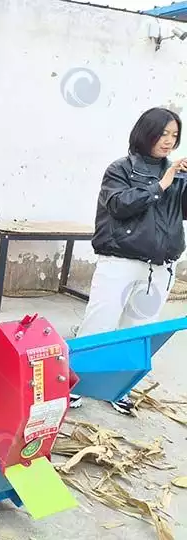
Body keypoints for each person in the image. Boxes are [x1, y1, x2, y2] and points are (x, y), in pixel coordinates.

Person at [70, 107, 187, 415]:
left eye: (174, 135)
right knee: (100, 323)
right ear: (145, 132)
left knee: (137, 330)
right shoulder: (120, 169)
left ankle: (117, 388)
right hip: (120, 262)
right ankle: (75, 384)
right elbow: (120, 206)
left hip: (161, 267)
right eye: (163, 133)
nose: (168, 141)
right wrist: (162, 183)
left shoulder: (178, 175)